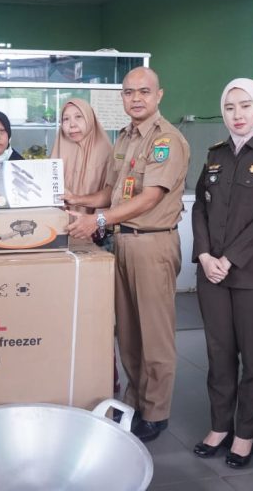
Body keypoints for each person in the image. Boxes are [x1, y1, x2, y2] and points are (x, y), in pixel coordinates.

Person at [65, 66, 190, 443]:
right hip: (122, 242)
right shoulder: (125, 137)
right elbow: (113, 191)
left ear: (159, 95)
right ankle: (136, 402)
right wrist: (77, 200)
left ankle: (156, 412)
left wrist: (98, 219)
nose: (136, 98)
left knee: (155, 335)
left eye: (144, 92)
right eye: (129, 92)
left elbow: (149, 197)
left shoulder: (167, 139)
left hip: (152, 244)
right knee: (129, 333)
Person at [190, 78, 253, 468]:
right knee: (218, 354)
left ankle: (246, 434)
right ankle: (220, 427)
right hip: (212, 274)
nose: (237, 114)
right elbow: (200, 206)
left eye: (245, 106)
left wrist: (229, 258)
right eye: (230, 107)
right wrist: (204, 255)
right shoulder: (215, 155)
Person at [51, 97, 113, 215]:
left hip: (94, 222)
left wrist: (77, 200)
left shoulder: (105, 151)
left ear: (90, 118)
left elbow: (111, 196)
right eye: (66, 119)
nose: (72, 124)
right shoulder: (59, 147)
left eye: (78, 117)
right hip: (59, 221)